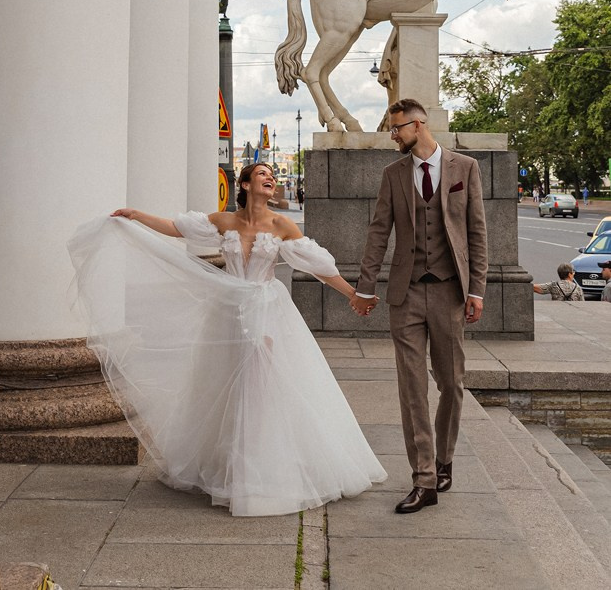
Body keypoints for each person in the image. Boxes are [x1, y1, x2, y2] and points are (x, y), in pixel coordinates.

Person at [67, 162, 386, 516]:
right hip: (228, 311)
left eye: (273, 177)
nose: (270, 179)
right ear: (246, 184)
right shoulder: (224, 221)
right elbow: (175, 229)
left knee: (262, 386)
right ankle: (227, 467)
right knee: (222, 385)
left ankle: (262, 472)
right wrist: (134, 214)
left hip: (267, 310)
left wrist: (353, 295)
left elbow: (320, 269)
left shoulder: (282, 224)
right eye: (263, 174)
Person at [350, 98, 488, 514]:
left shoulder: (465, 168)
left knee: (451, 383)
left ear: (419, 125)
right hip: (405, 294)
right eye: (392, 129)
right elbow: (378, 232)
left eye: (397, 129)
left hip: (449, 292)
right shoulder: (393, 175)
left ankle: (444, 458)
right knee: (412, 389)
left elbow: (477, 232)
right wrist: (365, 286)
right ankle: (424, 478)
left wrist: (477, 290)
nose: (393, 135)